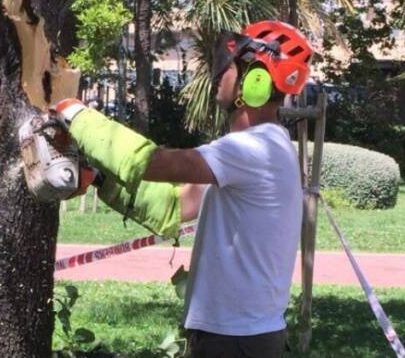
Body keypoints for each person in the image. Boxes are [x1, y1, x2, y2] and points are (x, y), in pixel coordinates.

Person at [50, 20, 313, 358]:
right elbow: (175, 207)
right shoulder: (259, 151)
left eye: (231, 66)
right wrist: (101, 179)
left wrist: (74, 113)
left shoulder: (254, 150)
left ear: (257, 81)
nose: (219, 74)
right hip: (234, 336)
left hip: (235, 342)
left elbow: (154, 162)